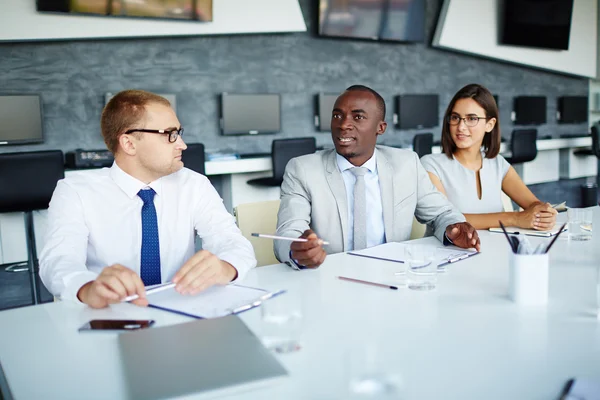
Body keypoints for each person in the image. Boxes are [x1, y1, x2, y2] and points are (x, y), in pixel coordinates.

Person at [40, 90, 256, 308]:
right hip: (111, 313)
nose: (182, 144)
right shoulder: (75, 191)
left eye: (179, 132)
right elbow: (58, 261)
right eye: (169, 134)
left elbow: (233, 243)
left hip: (182, 309)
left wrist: (226, 267)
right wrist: (88, 288)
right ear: (129, 143)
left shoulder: (194, 185)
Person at [274, 85, 480, 269]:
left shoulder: (406, 163)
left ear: (380, 128)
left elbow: (441, 214)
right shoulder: (302, 169)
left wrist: (453, 229)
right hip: (332, 277)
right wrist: (297, 250)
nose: (344, 124)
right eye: (337, 115)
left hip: (394, 275)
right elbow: (287, 232)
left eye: (358, 117)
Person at [420, 83, 557, 231]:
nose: (461, 127)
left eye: (471, 118)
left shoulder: (497, 163)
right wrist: (515, 218)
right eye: (455, 117)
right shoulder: (430, 165)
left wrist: (542, 212)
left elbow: (532, 204)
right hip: (447, 252)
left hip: (494, 249)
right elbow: (448, 219)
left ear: (490, 125)